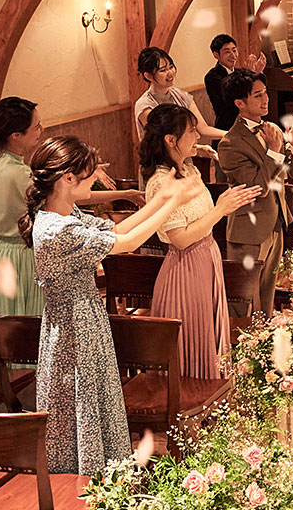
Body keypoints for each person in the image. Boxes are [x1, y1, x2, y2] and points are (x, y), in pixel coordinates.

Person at [19, 135, 202, 474]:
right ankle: (82, 479)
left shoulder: (65, 213)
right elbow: (127, 242)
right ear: (67, 178)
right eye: (89, 173)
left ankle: (104, 475)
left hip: (85, 318)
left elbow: (117, 230)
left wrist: (161, 198)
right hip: (73, 328)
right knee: (82, 403)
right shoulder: (57, 230)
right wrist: (172, 204)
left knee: (97, 398)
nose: (95, 178)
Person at [0, 97, 142, 366]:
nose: (42, 130)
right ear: (15, 135)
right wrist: (124, 193)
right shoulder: (20, 173)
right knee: (23, 336)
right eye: (36, 127)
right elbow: (66, 196)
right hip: (19, 256)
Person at [139, 105, 262, 378]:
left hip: (206, 258)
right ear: (170, 140)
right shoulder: (161, 183)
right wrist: (221, 210)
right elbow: (180, 239)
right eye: (192, 131)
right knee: (192, 342)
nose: (198, 136)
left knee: (210, 332)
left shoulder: (188, 169)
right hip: (185, 269)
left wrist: (195, 154)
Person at [218, 69, 293, 316]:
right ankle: (240, 340)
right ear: (239, 103)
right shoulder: (230, 143)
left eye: (265, 93)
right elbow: (256, 188)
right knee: (245, 300)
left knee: (267, 294)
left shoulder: (271, 129)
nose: (266, 99)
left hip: (276, 222)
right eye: (257, 95)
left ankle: (265, 338)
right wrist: (275, 151)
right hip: (249, 229)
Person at [133, 46, 222, 150]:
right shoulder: (145, 105)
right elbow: (169, 140)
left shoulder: (180, 95)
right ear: (148, 76)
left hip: (184, 156)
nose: (170, 73)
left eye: (171, 67)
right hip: (161, 159)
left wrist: (231, 135)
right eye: (163, 70)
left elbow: (203, 128)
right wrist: (198, 147)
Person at [203, 34, 267, 136]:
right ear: (216, 55)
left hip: (249, 124)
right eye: (227, 52)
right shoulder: (212, 77)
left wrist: (255, 75)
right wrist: (249, 77)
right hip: (228, 127)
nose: (233, 56)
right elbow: (229, 104)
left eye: (234, 50)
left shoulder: (238, 72)